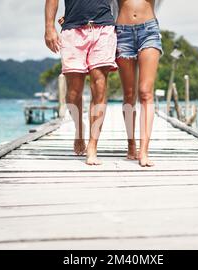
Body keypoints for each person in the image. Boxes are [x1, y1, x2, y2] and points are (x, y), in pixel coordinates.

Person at [44, 0, 118, 165]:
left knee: (99, 88)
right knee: (73, 93)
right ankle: (79, 128)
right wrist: (49, 27)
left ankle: (93, 145)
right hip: (73, 30)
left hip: (103, 28)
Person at [114, 0, 163, 167]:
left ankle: (144, 150)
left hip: (148, 31)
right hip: (122, 32)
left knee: (145, 92)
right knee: (129, 95)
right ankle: (131, 144)